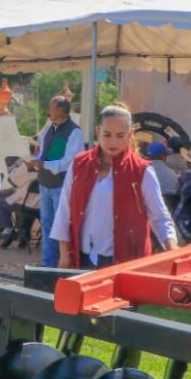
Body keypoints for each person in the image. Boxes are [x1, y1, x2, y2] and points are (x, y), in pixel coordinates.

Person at [51, 105, 178, 268]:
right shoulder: (79, 164)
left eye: (120, 136)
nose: (113, 142)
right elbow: (64, 211)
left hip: (125, 260)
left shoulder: (142, 171)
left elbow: (160, 216)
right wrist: (64, 254)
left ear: (130, 135)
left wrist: (172, 248)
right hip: (82, 258)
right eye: (107, 135)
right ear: (98, 132)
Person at [32, 96, 84, 266]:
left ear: (61, 110)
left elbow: (70, 162)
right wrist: (38, 159)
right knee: (47, 224)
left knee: (60, 226)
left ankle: (62, 263)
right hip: (45, 183)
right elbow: (44, 150)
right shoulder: (50, 128)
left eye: (51, 108)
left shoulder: (75, 132)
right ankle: (48, 264)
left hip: (61, 185)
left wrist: (44, 164)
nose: (49, 111)